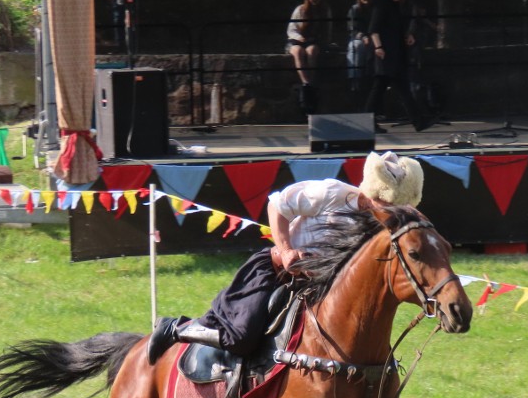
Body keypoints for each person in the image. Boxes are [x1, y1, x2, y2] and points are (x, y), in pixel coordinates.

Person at [146, 151, 424, 365]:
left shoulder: (380, 225)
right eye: (387, 205)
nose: (390, 212)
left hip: (323, 290)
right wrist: (288, 250)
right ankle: (175, 328)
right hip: (278, 273)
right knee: (240, 336)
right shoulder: (330, 193)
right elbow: (277, 205)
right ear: (375, 193)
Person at [365, 0, 430, 133]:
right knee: (385, 88)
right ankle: (418, 121)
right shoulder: (382, 3)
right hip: (386, 54)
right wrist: (378, 47)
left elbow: (395, 28)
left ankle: (419, 121)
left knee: (393, 88)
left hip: (396, 53)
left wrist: (407, 36)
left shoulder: (396, 4)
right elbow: (374, 28)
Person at [287, 0, 332, 114]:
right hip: (296, 40)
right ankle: (306, 84)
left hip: (313, 42)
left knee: (311, 51)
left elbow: (327, 32)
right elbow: (291, 30)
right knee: (298, 51)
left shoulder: (325, 11)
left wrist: (323, 42)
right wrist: (299, 37)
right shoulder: (300, 10)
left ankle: (309, 85)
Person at [346, 0, 374, 92]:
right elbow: (352, 29)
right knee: (356, 47)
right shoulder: (354, 10)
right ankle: (355, 80)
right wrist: (363, 37)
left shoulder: (376, 9)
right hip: (358, 39)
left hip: (374, 38)